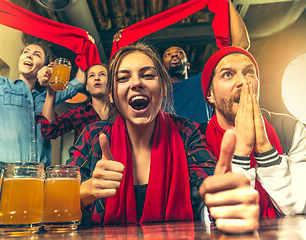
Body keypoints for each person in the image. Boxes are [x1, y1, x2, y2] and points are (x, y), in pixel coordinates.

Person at [67, 43, 259, 233]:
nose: (136, 83)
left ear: (164, 88)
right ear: (111, 95)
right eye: (124, 78)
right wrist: (89, 189)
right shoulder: (93, 136)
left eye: (148, 75)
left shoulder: (185, 132)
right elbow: (56, 208)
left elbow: (212, 186)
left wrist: (224, 199)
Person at [0, 20, 87, 228]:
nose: (29, 55)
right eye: (26, 52)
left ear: (45, 67)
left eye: (37, 55)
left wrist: (87, 44)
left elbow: (79, 81)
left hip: (36, 180)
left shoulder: (49, 97)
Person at [201, 46, 285, 218]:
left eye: (249, 73)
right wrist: (242, 152)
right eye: (227, 74)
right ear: (210, 95)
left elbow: (300, 207)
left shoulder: (289, 129)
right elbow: (213, 215)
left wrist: (264, 148)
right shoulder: (196, 141)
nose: (243, 82)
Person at [162, 0, 250, 123]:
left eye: (180, 53)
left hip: (202, 139)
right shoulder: (157, 91)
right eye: (168, 54)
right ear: (162, 68)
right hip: (170, 140)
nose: (175, 54)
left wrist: (226, 2)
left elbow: (241, 45)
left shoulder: (202, 81)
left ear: (188, 65)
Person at [36, 63, 110, 143]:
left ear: (110, 83)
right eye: (91, 75)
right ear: (87, 87)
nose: (97, 78)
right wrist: (51, 92)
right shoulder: (77, 113)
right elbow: (49, 131)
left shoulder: (120, 113)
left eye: (102, 74)